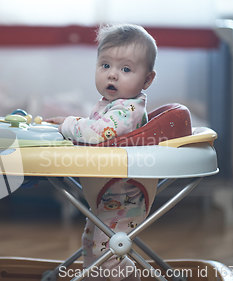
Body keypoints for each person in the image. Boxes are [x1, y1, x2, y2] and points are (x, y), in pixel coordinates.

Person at [45, 24, 158, 281]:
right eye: (105, 65)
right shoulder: (111, 105)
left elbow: (98, 133)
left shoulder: (129, 111)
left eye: (126, 69)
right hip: (106, 193)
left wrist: (69, 124)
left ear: (147, 80)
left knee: (108, 254)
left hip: (125, 194)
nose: (113, 75)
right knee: (91, 245)